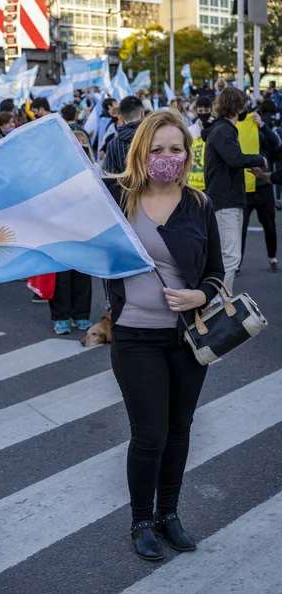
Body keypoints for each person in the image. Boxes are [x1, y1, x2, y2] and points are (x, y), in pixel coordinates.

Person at [103, 110, 224, 562]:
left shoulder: (199, 204)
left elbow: (215, 271)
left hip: (188, 338)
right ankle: (141, 522)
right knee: (150, 434)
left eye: (176, 149)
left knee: (179, 431)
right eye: (157, 149)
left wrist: (200, 295)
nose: (167, 158)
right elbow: (51, 198)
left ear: (188, 155)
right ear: (141, 153)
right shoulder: (119, 197)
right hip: (135, 337)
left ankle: (169, 514)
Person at [201, 86, 265, 294]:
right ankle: (220, 304)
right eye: (243, 105)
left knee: (226, 256)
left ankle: (219, 302)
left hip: (226, 199)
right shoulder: (224, 130)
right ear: (236, 107)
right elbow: (235, 159)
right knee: (230, 257)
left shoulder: (220, 130)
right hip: (225, 201)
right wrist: (259, 160)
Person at [238, 112, 280, 272]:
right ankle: (237, 263)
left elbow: (275, 142)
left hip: (263, 185)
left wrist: (262, 125)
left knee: (269, 225)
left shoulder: (257, 126)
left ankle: (272, 258)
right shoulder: (232, 126)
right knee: (241, 228)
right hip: (244, 186)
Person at [104, 96, 144, 174]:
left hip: (124, 186)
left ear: (121, 118)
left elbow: (111, 177)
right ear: (142, 114)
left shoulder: (113, 144)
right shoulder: (155, 137)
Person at [187, 96, 213, 192]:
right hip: (195, 182)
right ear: (196, 111)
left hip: (213, 180)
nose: (203, 114)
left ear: (211, 109)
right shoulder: (190, 130)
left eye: (206, 110)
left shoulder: (218, 127)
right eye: (200, 111)